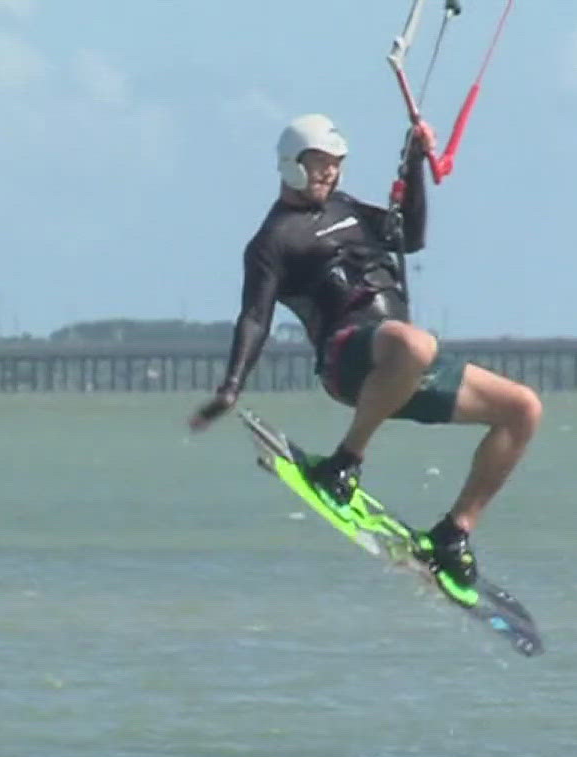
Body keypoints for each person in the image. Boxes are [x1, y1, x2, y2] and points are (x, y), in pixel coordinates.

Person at [188, 113, 542, 598]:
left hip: (405, 362)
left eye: (335, 165)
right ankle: (345, 461)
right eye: (318, 165)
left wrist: (415, 164)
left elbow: (408, 239)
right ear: (290, 164)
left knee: (523, 409)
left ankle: (454, 533)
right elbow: (255, 318)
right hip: (348, 357)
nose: (328, 174)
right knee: (416, 343)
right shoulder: (273, 241)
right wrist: (230, 387)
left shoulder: (346, 207)